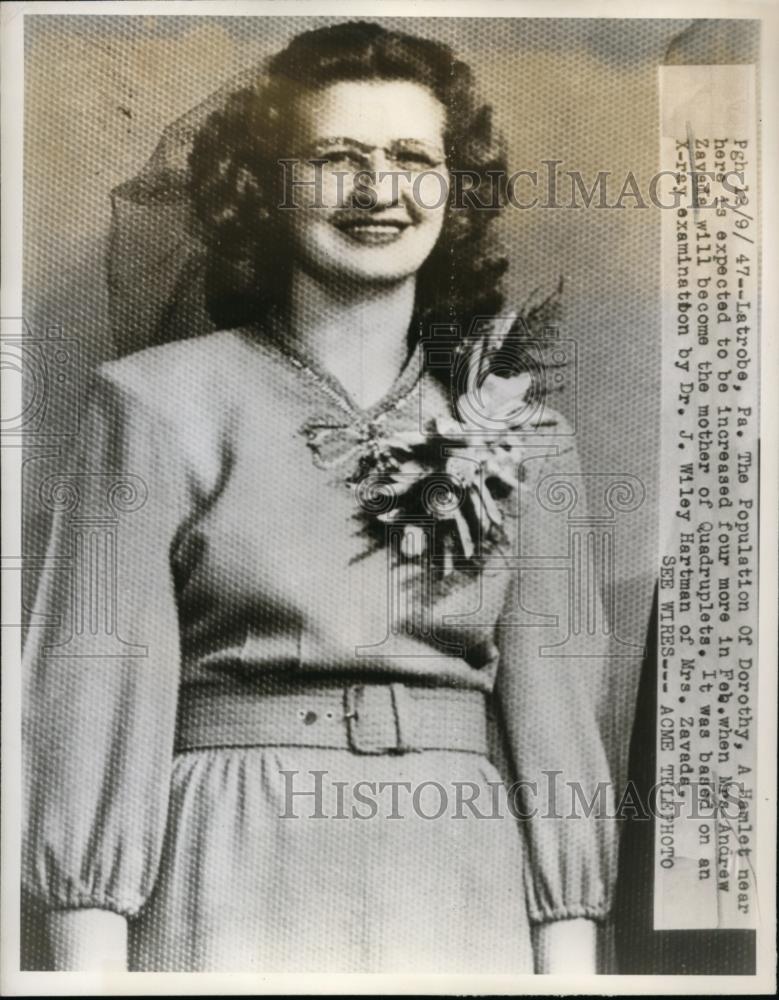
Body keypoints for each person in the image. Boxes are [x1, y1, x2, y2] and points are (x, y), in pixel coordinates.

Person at [23, 21, 617, 973]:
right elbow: (94, 696)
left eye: (412, 159)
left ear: (452, 191)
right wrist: (89, 970)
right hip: (223, 860)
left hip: (458, 872)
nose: (380, 192)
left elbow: (557, 734)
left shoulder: (527, 436)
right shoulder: (152, 402)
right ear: (262, 186)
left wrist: (569, 964)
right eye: (337, 158)